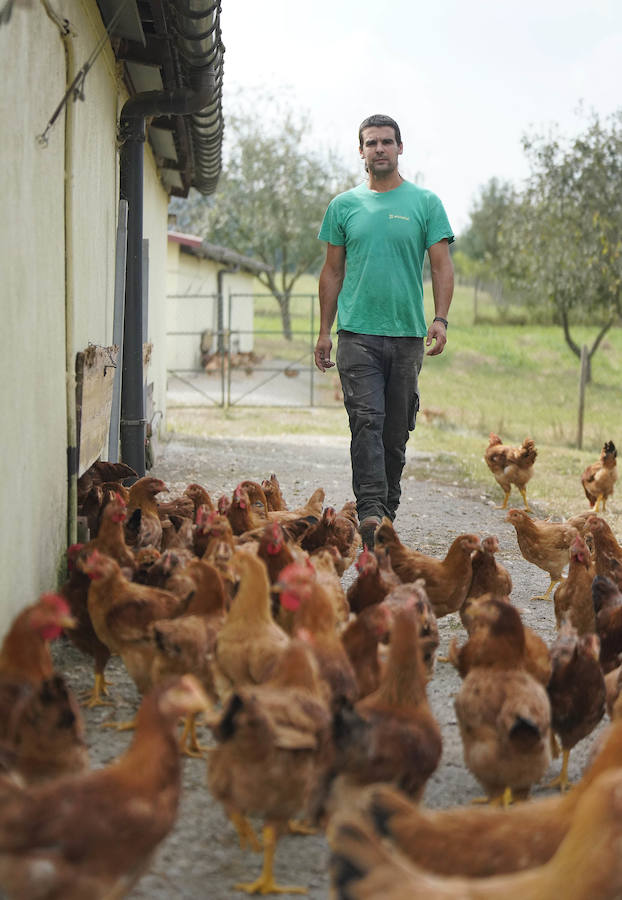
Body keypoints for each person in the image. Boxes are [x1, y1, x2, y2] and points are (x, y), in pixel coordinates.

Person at [314, 113, 454, 549]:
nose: (379, 149)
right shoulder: (343, 206)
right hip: (357, 336)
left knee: (395, 433)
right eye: (371, 142)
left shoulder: (425, 203)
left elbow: (441, 266)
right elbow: (332, 272)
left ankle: (386, 511)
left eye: (386, 142)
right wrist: (324, 330)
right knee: (366, 424)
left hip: (408, 337)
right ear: (361, 151)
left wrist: (440, 318)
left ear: (399, 148)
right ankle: (371, 513)